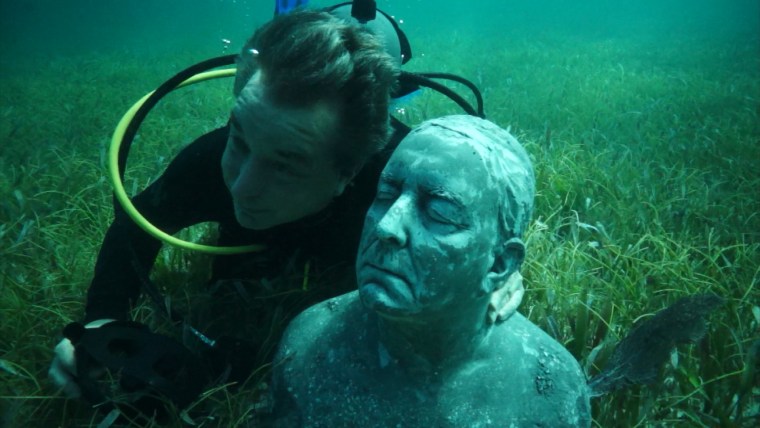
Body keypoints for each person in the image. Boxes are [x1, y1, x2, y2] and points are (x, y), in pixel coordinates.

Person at [48, 7, 525, 403]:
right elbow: (139, 225)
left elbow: (481, 236)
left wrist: (498, 281)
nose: (243, 185)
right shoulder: (213, 160)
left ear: (350, 173)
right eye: (240, 139)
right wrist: (102, 321)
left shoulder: (392, 184)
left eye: (286, 164)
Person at [272, 115, 592, 427]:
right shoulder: (307, 347)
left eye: (438, 212)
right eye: (387, 193)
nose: (387, 226)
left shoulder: (550, 389)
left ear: (499, 264)